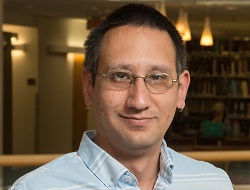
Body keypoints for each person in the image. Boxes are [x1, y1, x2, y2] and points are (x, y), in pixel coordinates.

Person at [10, 3, 233, 190]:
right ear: (89, 87)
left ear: (181, 90)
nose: (139, 101)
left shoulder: (215, 183)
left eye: (157, 77)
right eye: (119, 76)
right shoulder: (36, 187)